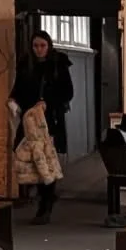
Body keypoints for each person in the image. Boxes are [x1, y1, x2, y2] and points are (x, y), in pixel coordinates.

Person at [9, 30, 73, 224]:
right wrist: (13, 100)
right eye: (36, 46)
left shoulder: (58, 63)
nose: (39, 50)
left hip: (49, 120)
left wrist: (47, 103)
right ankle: (37, 194)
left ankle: (46, 204)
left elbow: (67, 92)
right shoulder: (26, 64)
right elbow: (18, 88)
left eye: (42, 46)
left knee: (46, 160)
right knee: (25, 154)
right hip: (29, 119)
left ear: (48, 46)